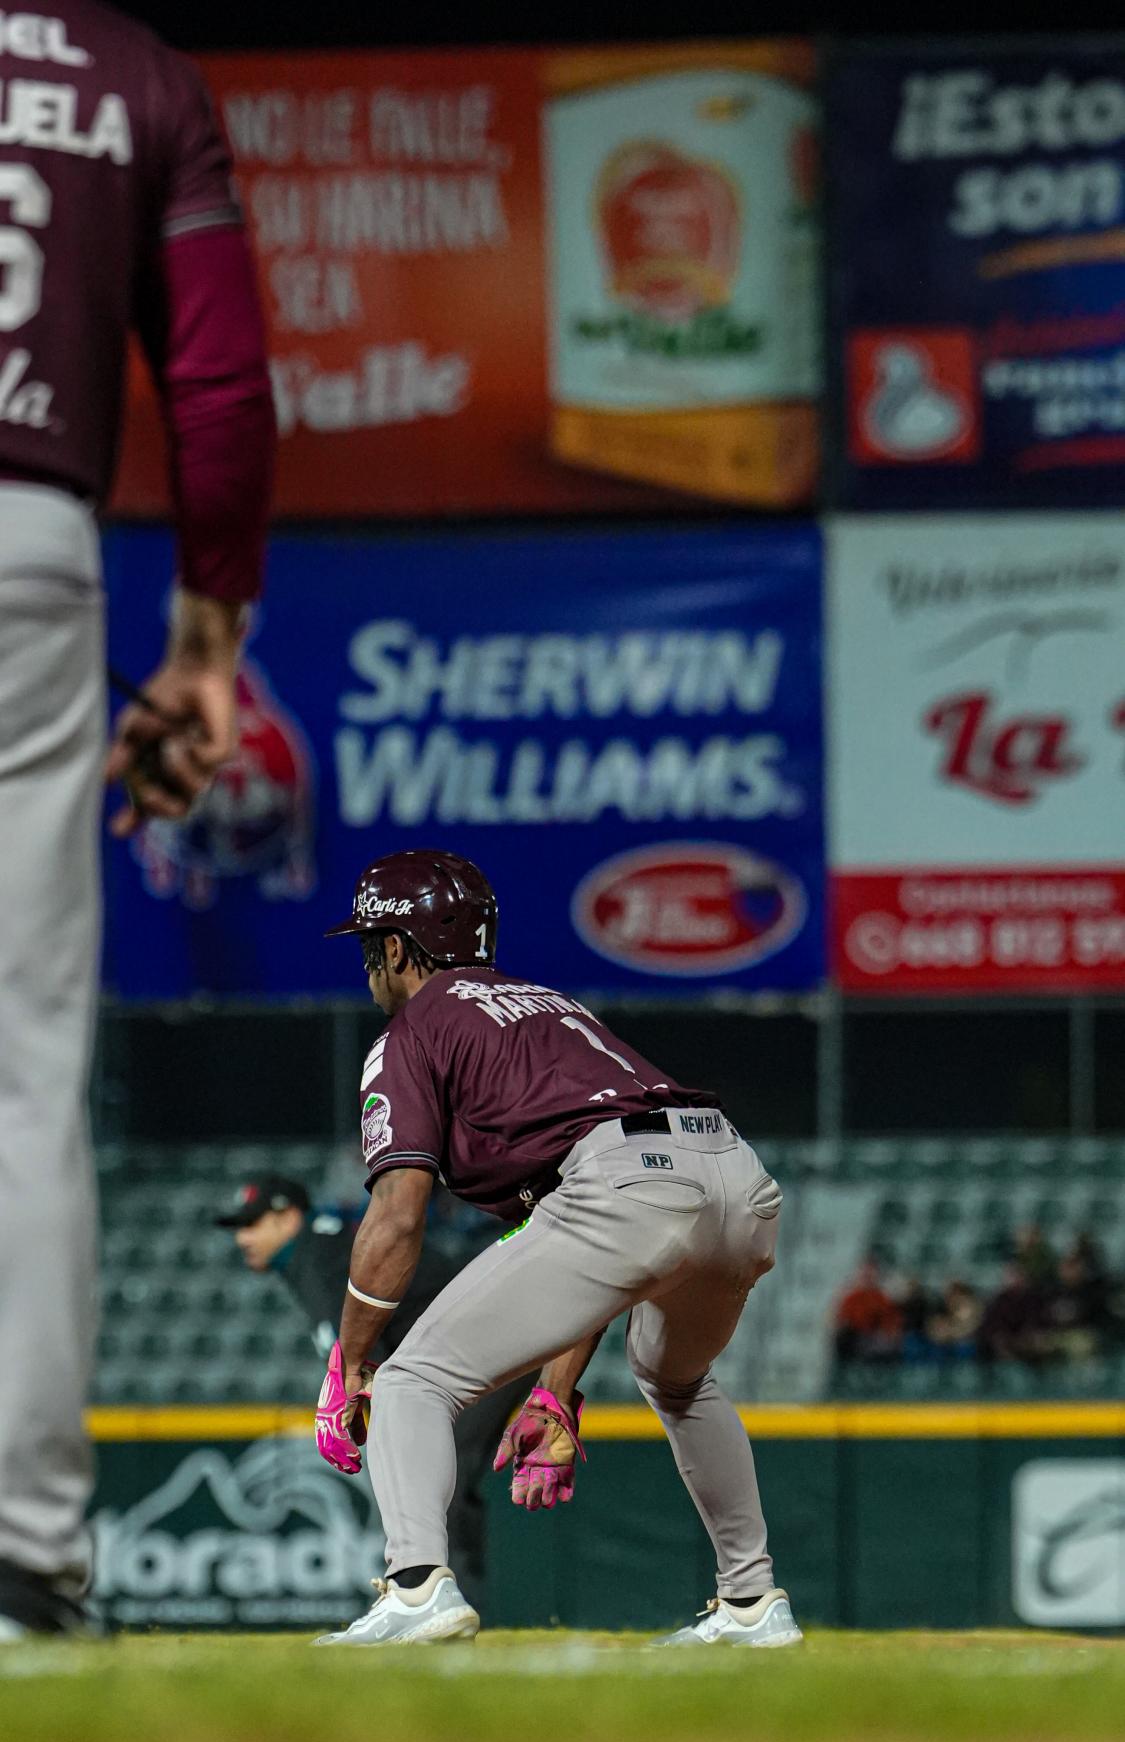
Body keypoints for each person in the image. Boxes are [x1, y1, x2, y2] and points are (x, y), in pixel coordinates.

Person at [0, 3, 274, 1640]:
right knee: (26, 1068)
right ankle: (25, 1555)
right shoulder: (132, 77)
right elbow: (222, 387)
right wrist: (206, 643)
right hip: (31, 534)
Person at [310, 849, 799, 1649]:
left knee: (412, 1381)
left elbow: (398, 1218)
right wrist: (554, 1394)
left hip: (625, 1187)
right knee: (676, 1382)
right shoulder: (548, 1006)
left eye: (370, 943)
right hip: (734, 1177)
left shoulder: (414, 1029)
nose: (368, 961)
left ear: (396, 947)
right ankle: (751, 1603)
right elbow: (602, 1246)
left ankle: (413, 1587)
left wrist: (352, 1362)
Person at [214, 1173, 535, 1612]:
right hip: (471, 1345)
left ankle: (433, 1599)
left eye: (250, 1224)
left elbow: (367, 1362)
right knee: (436, 1472)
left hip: (489, 1341)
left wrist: (364, 1410)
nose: (241, 1237)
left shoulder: (318, 1256)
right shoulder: (320, 1249)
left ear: (287, 1217)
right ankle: (436, 1596)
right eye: (237, 1226)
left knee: (439, 1472)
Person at [832, 1258, 902, 1364]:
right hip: (857, 1338)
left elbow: (890, 1323)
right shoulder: (852, 1297)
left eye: (871, 1274)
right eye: (866, 1274)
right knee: (843, 1338)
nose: (868, 1277)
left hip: (875, 1339)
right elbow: (841, 1320)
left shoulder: (881, 1298)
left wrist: (887, 1333)